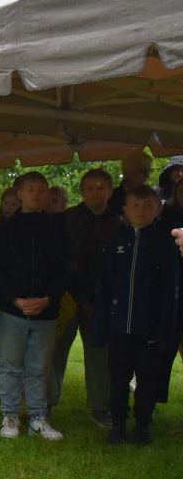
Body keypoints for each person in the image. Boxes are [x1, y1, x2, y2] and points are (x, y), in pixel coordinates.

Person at [92, 185, 179, 445]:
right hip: (119, 329)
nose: (142, 211)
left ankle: (143, 426)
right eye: (136, 206)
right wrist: (101, 326)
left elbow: (171, 291)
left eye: (148, 205)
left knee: (147, 382)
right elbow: (104, 287)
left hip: (149, 331)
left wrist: (166, 331)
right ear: (126, 210)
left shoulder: (165, 245)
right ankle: (117, 425)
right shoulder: (116, 243)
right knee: (118, 380)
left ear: (158, 209)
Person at [0, 172, 67, 441]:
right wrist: (15, 299)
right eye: (31, 189)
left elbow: (65, 269)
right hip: (12, 309)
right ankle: (10, 415)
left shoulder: (58, 228)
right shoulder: (5, 229)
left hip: (46, 309)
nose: (36, 194)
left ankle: (38, 417)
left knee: (39, 366)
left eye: (41, 190)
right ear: (19, 194)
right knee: (10, 365)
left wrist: (48, 298)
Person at [56, 169, 120, 427]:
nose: (96, 192)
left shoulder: (118, 222)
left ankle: (101, 407)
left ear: (110, 191)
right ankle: (46, 404)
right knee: (55, 352)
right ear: (82, 192)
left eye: (101, 187)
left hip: (99, 299)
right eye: (91, 188)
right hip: (67, 296)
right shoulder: (67, 219)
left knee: (99, 356)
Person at [109, 148, 153, 216]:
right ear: (128, 171)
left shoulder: (152, 197)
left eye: (149, 171)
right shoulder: (110, 199)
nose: (147, 175)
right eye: (143, 171)